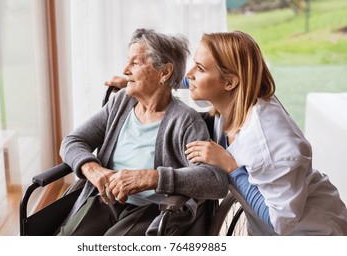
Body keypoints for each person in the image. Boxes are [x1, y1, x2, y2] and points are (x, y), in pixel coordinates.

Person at [105, 30, 347, 236]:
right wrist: (147, 80)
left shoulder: (270, 138)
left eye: (199, 68)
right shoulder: (235, 99)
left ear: (230, 82)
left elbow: (280, 222)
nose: (189, 74)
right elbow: (192, 81)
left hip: (311, 234)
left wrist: (230, 167)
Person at [57, 28, 228, 236]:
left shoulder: (185, 121)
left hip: (152, 209)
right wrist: (94, 170)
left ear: (164, 72)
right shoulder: (121, 103)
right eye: (127, 61)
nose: (125, 69)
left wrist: (151, 178)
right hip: (105, 201)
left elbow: (214, 180)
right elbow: (73, 141)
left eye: (135, 63)